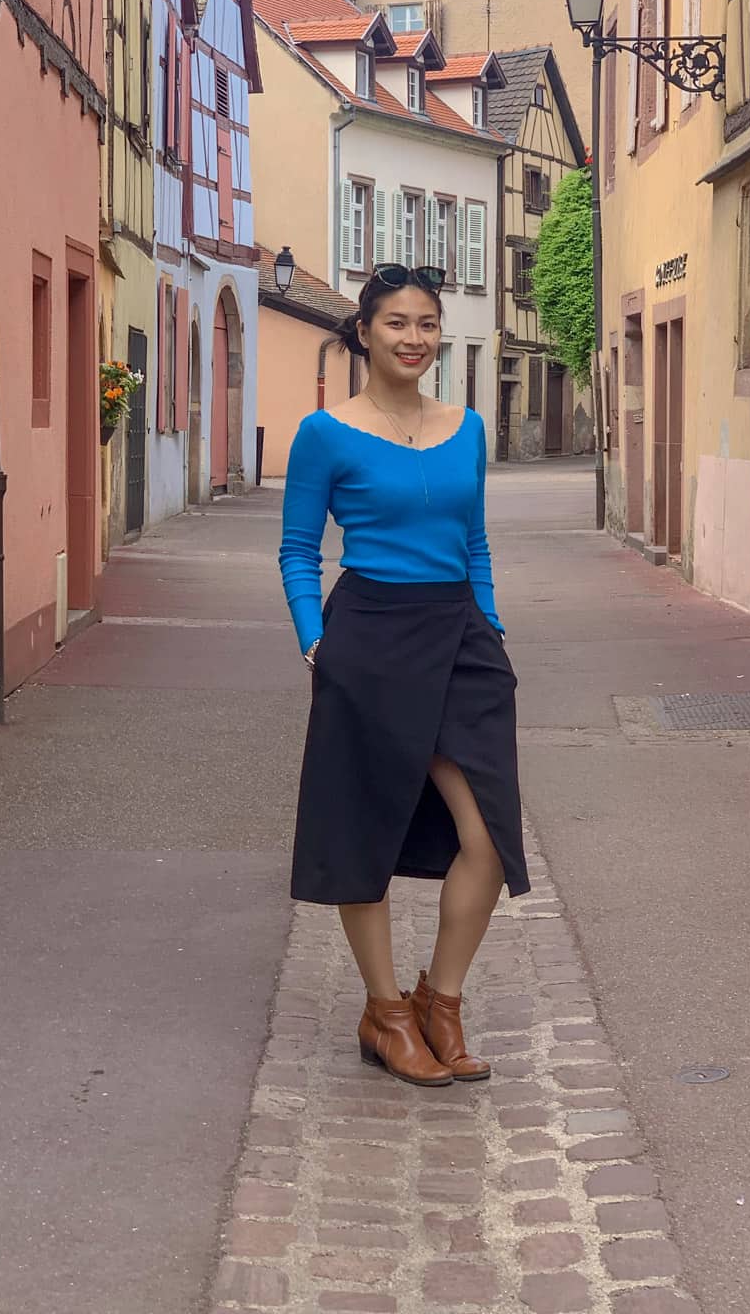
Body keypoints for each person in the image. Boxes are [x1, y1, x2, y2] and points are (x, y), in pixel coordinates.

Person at [279, 263, 530, 1089]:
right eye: (397, 323)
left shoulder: (468, 428)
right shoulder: (326, 433)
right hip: (371, 636)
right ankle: (385, 1013)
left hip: (459, 632)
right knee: (365, 828)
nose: (414, 338)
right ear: (364, 332)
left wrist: (488, 621)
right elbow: (297, 550)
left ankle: (441, 1001)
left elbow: (476, 538)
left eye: (427, 323)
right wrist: (318, 643)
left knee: (487, 833)